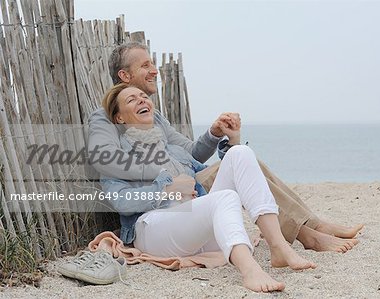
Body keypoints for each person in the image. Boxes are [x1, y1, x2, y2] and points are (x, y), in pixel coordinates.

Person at [88, 42, 362, 253]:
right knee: (239, 163)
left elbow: (191, 153)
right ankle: (309, 231)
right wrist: (167, 178)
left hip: (188, 185)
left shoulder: (155, 117)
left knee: (244, 158)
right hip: (162, 203)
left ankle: (310, 227)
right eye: (145, 65)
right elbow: (105, 160)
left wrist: (213, 133)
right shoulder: (104, 117)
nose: (154, 70)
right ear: (124, 75)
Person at [100, 83, 317, 292]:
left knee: (239, 153)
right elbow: (120, 200)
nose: (141, 99)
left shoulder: (174, 151)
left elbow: (213, 172)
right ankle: (250, 270)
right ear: (119, 117)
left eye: (143, 96)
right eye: (132, 99)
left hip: (192, 223)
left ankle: (278, 246)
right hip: (153, 227)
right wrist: (167, 189)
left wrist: (232, 140)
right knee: (225, 198)